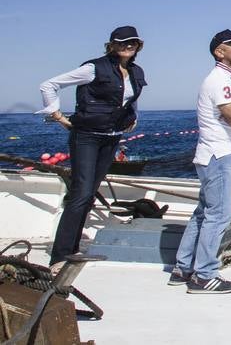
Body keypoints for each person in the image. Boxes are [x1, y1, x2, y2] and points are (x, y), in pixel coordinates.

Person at [37, 25, 149, 265]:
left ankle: (74, 249)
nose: (128, 46)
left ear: (138, 45)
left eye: (132, 42)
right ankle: (60, 255)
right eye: (122, 42)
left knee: (89, 195)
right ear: (112, 45)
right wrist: (57, 115)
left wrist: (133, 119)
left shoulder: (136, 71)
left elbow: (130, 99)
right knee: (81, 193)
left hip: (112, 136)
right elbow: (49, 85)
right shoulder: (93, 68)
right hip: (87, 136)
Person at [170, 29, 231, 294]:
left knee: (203, 212)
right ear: (219, 52)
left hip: (215, 153)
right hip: (219, 154)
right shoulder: (219, 81)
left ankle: (183, 268)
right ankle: (204, 275)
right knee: (218, 215)